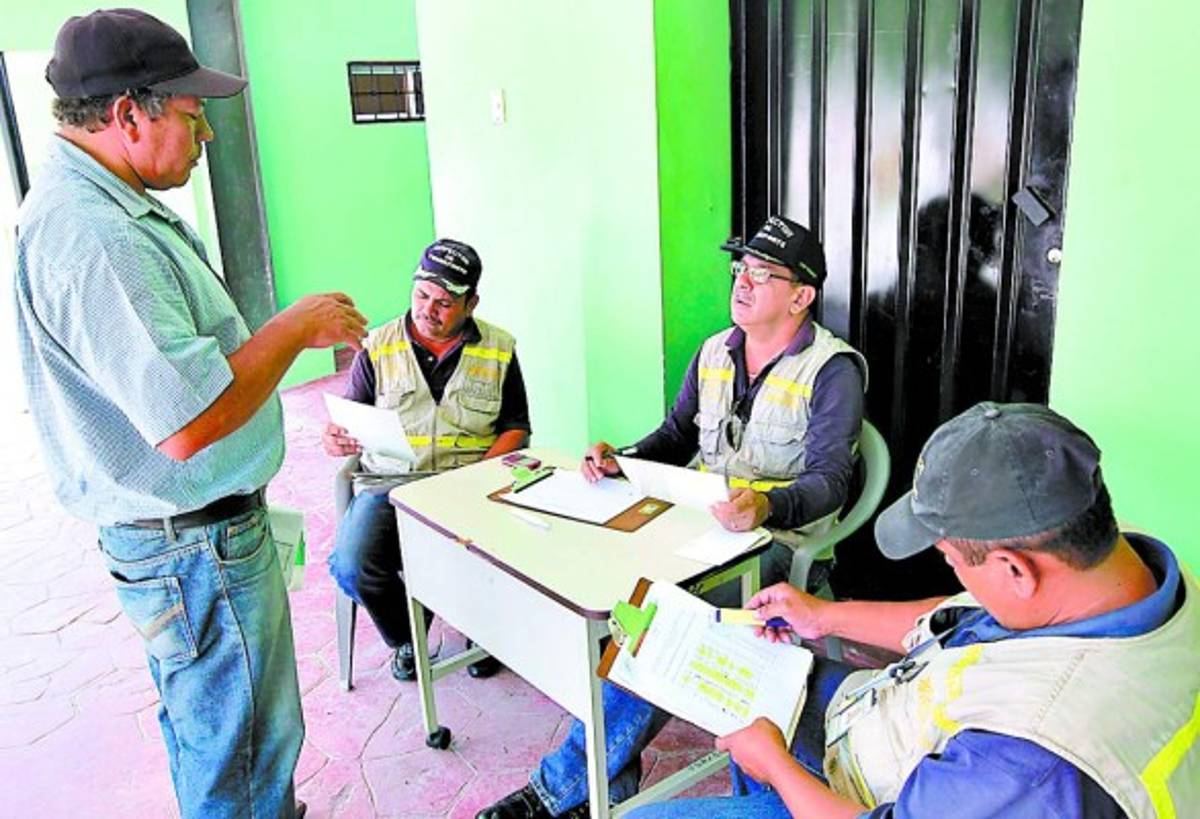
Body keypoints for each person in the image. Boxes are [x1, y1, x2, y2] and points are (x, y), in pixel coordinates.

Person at [12, 10, 368, 818]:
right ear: (128, 114)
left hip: (186, 544)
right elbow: (189, 420)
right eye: (190, 111)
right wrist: (293, 330)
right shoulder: (96, 232)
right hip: (194, 548)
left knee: (220, 733)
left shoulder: (104, 198)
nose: (205, 131)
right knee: (240, 751)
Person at [626, 402, 1200, 819]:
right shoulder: (1114, 566)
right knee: (758, 678)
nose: (951, 570)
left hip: (892, 795)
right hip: (895, 728)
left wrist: (774, 764)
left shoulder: (1030, 762)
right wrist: (821, 616)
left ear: (1014, 571)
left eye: (950, 558)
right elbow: (961, 616)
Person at [479, 215, 867, 818]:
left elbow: (830, 481)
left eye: (762, 274)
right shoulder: (716, 350)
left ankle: (562, 788)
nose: (742, 282)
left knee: (661, 620)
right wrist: (622, 459)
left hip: (775, 544)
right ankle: (604, 776)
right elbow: (675, 435)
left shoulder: (833, 370)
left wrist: (767, 503)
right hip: (696, 530)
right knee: (615, 592)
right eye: (739, 269)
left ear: (801, 295)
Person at [323, 239, 531, 681]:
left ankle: (484, 632)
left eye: (444, 303)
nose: (428, 310)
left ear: (471, 303)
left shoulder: (499, 348)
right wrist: (337, 438)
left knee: (507, 554)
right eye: (421, 296)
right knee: (352, 563)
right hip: (391, 484)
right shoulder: (376, 346)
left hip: (469, 484)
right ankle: (410, 637)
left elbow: (516, 428)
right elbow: (350, 420)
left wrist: (479, 480)